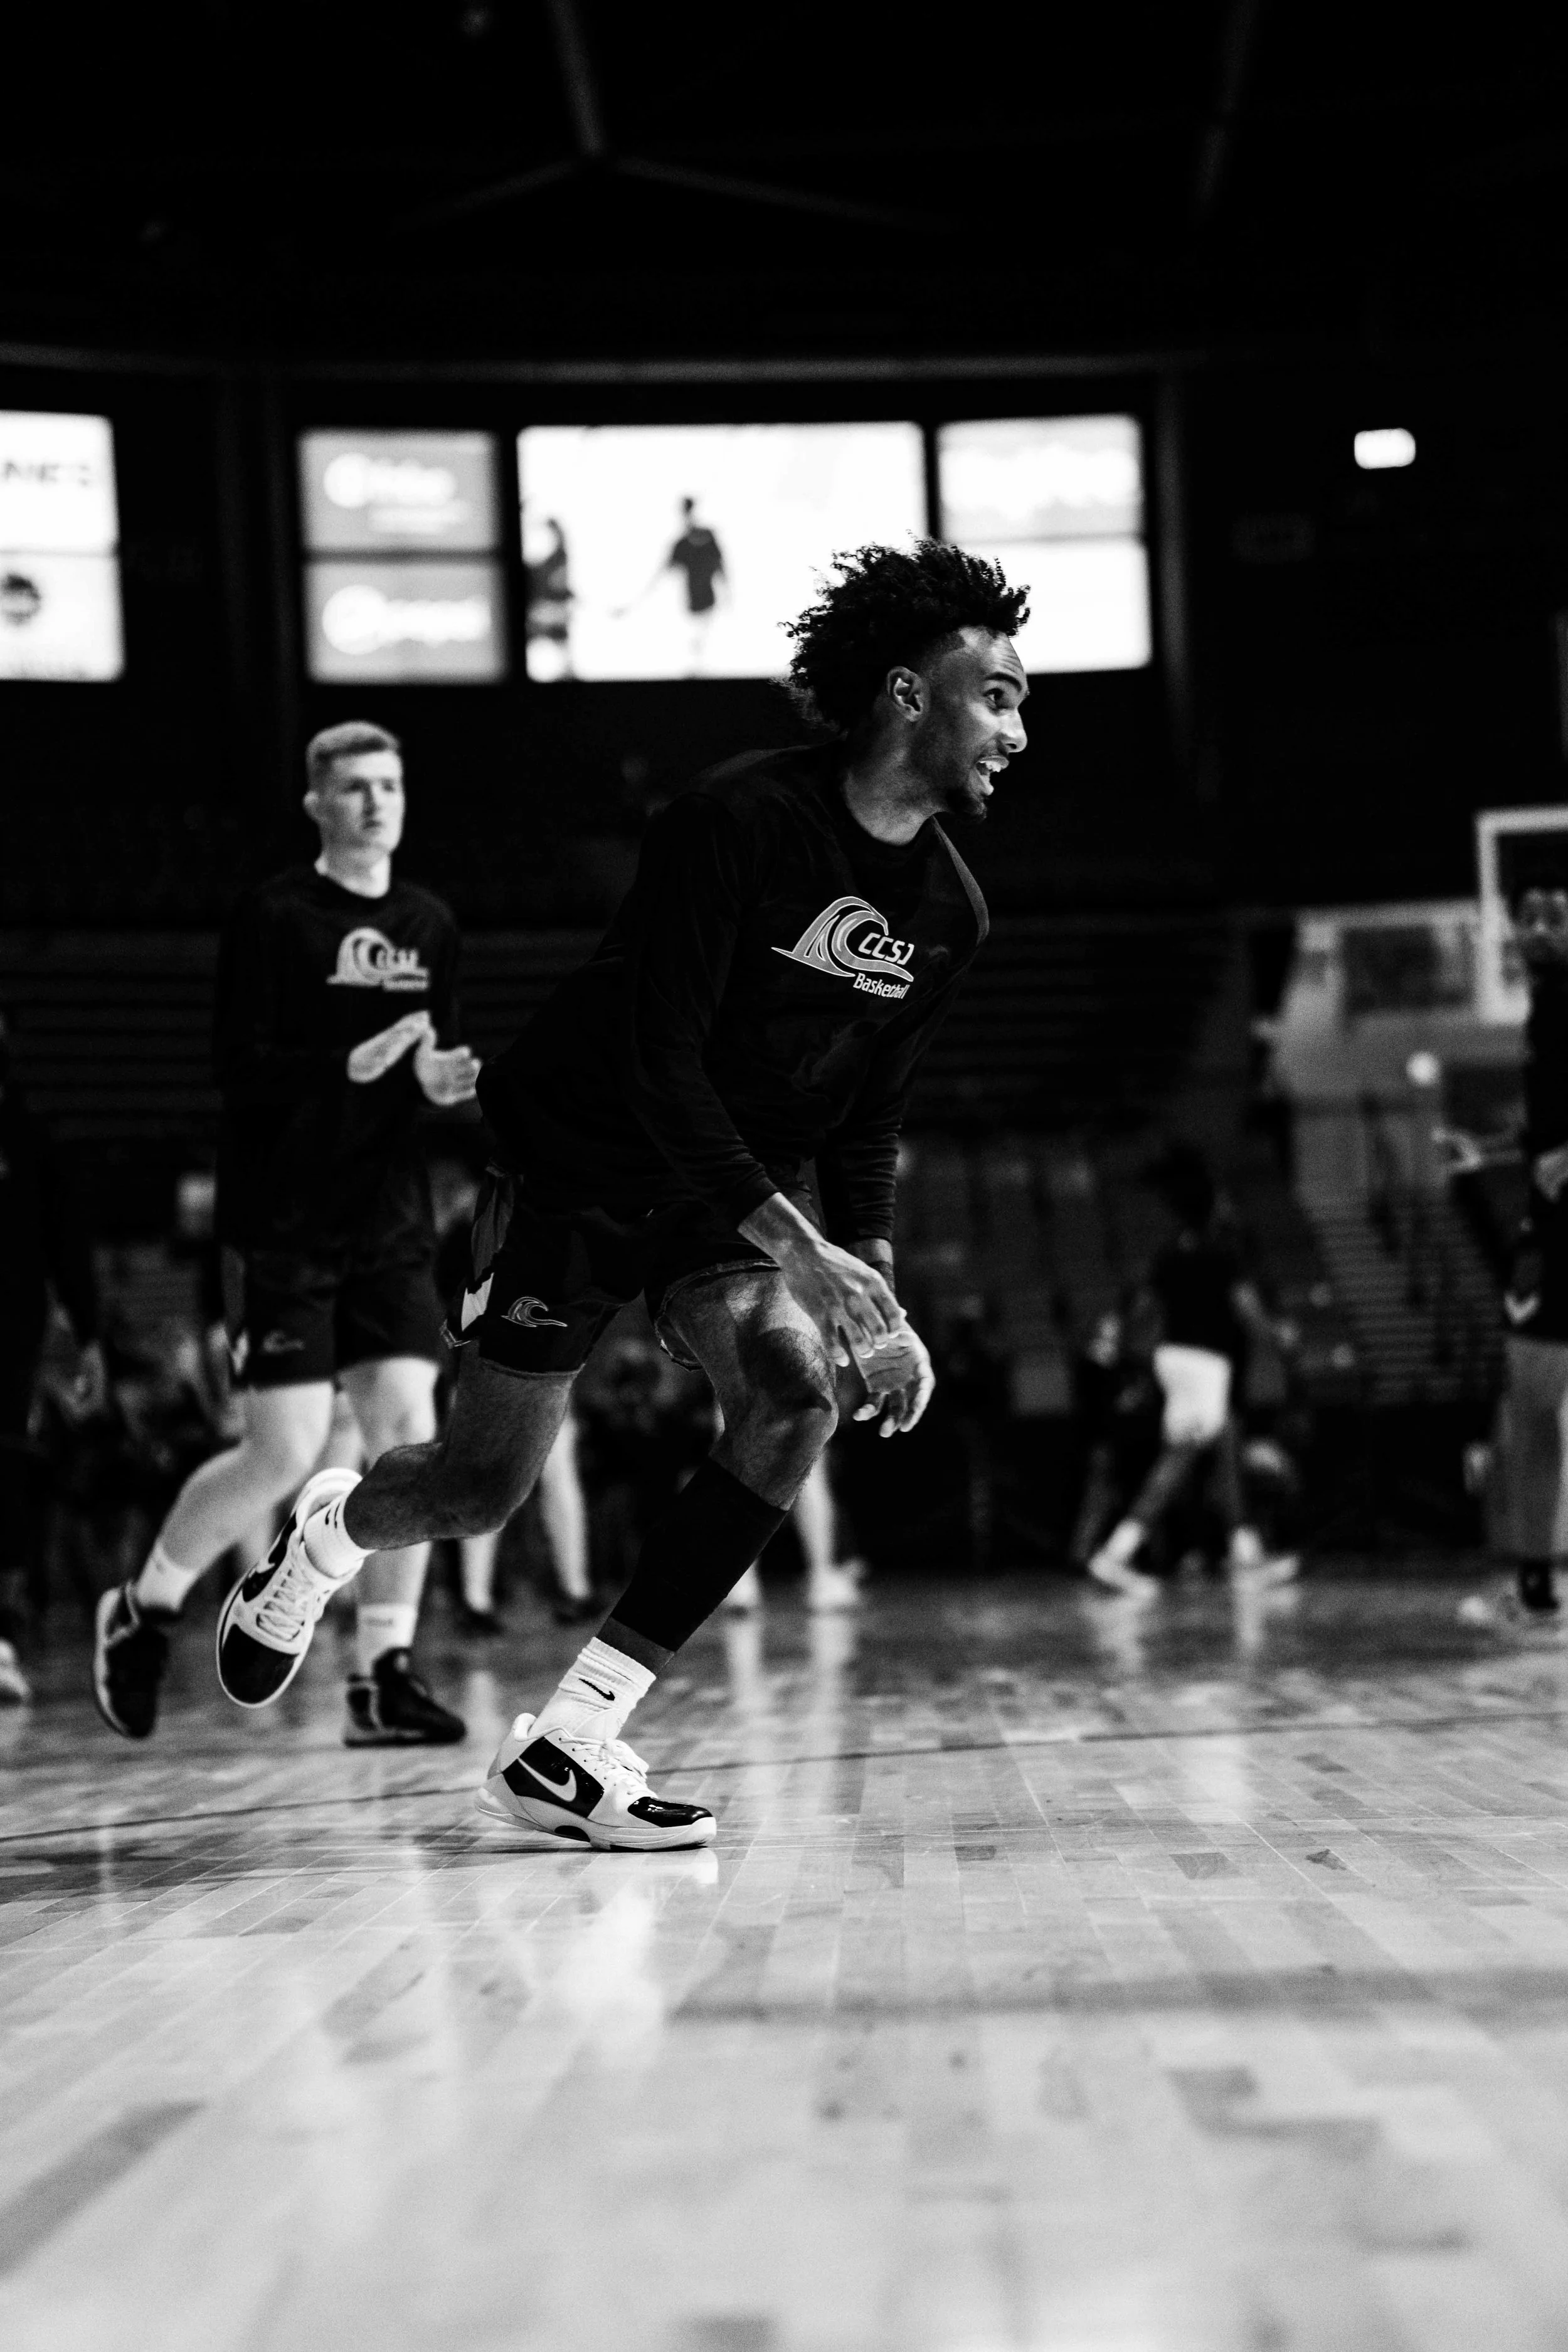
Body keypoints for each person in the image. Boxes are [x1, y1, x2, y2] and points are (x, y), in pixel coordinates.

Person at [214, 539, 1030, 1851]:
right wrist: (800, 1244)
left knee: (792, 1394)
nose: (1016, 731)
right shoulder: (736, 821)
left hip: (729, 1201)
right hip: (581, 1164)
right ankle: (324, 1541)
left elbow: (870, 1114)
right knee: (480, 1488)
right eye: (996, 696)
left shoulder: (951, 912)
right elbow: (658, 1065)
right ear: (906, 695)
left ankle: (572, 1738)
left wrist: (866, 1289)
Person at [92, 721, 480, 1744]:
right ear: (317, 803)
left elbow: (427, 1062)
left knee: (412, 1441)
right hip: (281, 1225)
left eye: (390, 785)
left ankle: (383, 1672)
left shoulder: (431, 923)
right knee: (282, 1452)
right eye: (354, 788)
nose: (375, 803)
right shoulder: (272, 917)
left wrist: (437, 1082)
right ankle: (144, 1609)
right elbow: (238, 1072)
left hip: (389, 1222)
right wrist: (343, 1066)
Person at [1087, 1145, 1296, 1598]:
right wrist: (1278, 1337)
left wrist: (1117, 1342)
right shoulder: (1225, 1252)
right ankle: (1117, 1553)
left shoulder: (1169, 1253)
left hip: (1173, 1359)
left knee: (1225, 1449)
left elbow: (1143, 1308)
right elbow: (1247, 1311)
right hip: (1205, 1365)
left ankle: (1246, 1555)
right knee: (1179, 1458)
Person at [1458, 874, 1568, 1632]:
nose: (1538, 926)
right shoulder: (1544, 1009)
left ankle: (1534, 1591)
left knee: (1534, 1408)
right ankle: (1534, 1590)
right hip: (1549, 1224)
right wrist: (1489, 1150)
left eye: (1556, 915)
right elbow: (1543, 1137)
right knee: (1533, 1410)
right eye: (1527, 915)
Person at [0, 1008, 105, 1700]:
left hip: (11, 1329)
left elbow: (69, 1248)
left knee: (7, 1470)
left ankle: (3, 1635)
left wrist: (90, 1339)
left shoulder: (30, 1138)